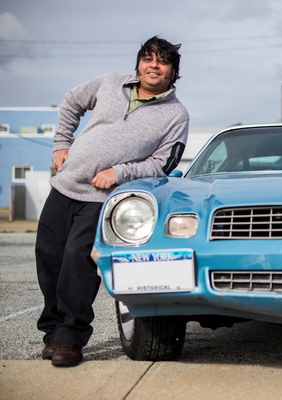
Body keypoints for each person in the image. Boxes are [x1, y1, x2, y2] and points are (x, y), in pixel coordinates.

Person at [35, 36, 189, 367]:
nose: (154, 65)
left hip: (102, 198)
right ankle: (52, 333)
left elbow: (162, 164)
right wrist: (61, 144)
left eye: (162, 61)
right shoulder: (109, 83)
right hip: (64, 186)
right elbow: (72, 102)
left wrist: (119, 172)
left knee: (78, 262)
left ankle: (70, 337)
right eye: (148, 58)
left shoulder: (176, 115)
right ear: (138, 64)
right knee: (49, 257)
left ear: (173, 72)